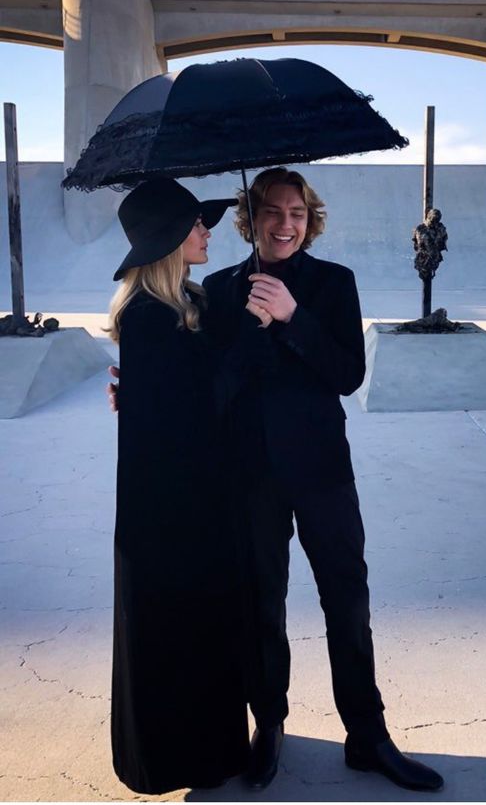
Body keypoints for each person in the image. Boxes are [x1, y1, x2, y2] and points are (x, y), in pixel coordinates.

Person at [201, 166, 444, 792]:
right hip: (251, 475)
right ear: (249, 219)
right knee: (261, 605)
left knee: (347, 600)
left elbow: (346, 374)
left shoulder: (335, 283)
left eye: (298, 213)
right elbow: (214, 388)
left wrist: (291, 317)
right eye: (274, 212)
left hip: (322, 472)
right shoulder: (221, 289)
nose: (286, 224)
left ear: (311, 221)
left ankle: (367, 733)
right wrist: (253, 330)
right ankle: (270, 726)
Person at [108, 178, 252, 795]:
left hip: (193, 503)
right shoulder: (147, 318)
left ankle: (212, 747)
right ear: (170, 237)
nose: (207, 232)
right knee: (175, 632)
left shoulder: (184, 304)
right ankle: (176, 759)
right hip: (167, 516)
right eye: (196, 224)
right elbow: (201, 409)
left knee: (203, 628)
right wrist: (248, 338)